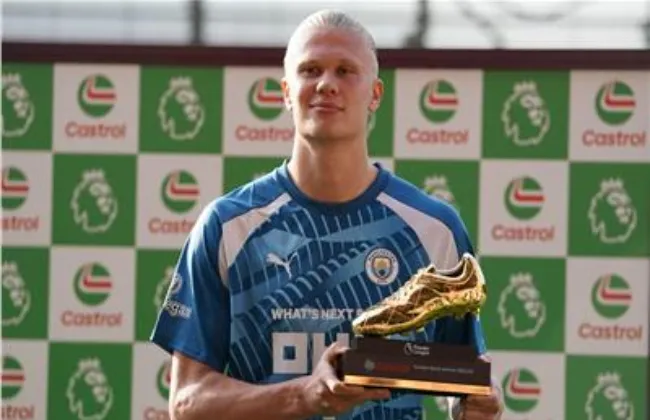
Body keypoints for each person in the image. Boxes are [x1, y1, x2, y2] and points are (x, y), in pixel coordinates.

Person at [150, 9, 503, 420]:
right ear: (286, 91)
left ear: (375, 94)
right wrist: (304, 395)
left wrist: (481, 406)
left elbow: (463, 382)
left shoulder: (435, 228)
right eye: (310, 70)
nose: (326, 84)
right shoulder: (228, 226)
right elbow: (186, 401)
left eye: (345, 71)